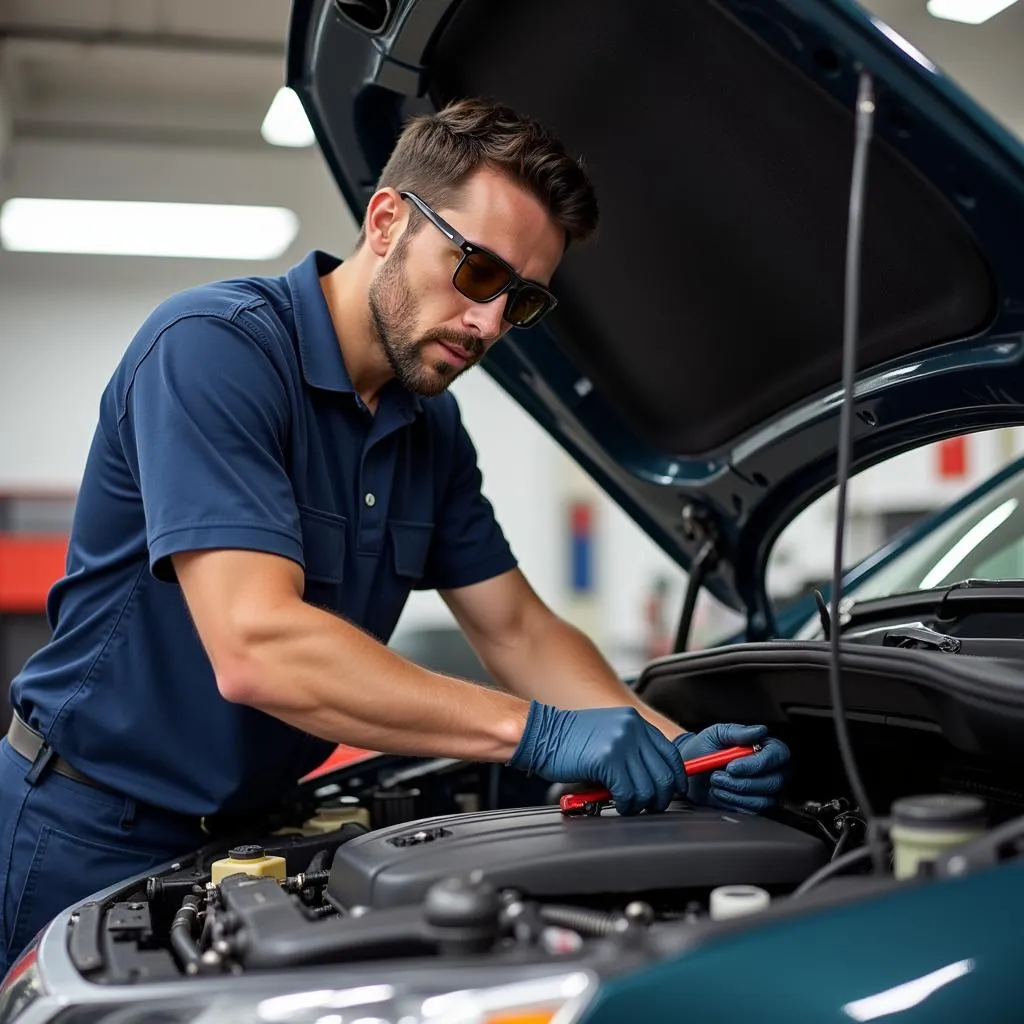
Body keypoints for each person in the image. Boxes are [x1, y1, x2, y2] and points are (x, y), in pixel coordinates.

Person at [0, 98, 789, 974]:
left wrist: (677, 749)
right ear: (387, 221)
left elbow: (517, 630)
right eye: (478, 274)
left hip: (244, 841)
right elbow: (256, 646)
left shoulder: (429, 433)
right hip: (83, 832)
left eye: (520, 300)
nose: (490, 324)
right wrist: (540, 733)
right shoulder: (213, 351)